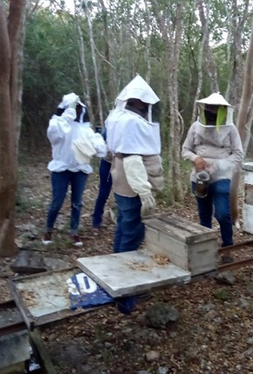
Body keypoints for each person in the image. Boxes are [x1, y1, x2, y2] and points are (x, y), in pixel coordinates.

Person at [105, 74, 164, 313]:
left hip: (120, 181)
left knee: (122, 228)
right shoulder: (132, 122)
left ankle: (113, 277)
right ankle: (125, 295)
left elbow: (111, 152)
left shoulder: (116, 116)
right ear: (138, 102)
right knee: (132, 234)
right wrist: (144, 191)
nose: (147, 108)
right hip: (131, 184)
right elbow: (132, 159)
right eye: (145, 104)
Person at [182, 93, 243, 257]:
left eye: (215, 108)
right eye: (208, 107)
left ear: (222, 110)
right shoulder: (195, 126)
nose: (211, 111)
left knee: (223, 213)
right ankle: (206, 251)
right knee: (204, 215)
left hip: (222, 176)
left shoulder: (231, 129)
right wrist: (196, 158)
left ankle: (228, 248)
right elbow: (185, 150)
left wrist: (218, 165)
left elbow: (238, 155)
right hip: (199, 177)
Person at [42, 93, 107, 247]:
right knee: (57, 201)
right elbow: (55, 133)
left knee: (77, 203)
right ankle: (48, 230)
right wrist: (67, 113)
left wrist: (98, 142)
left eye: (78, 108)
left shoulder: (85, 129)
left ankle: (74, 231)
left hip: (80, 170)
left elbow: (100, 148)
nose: (76, 111)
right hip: (61, 169)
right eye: (74, 108)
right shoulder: (57, 125)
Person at [91, 126, 113, 229]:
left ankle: (122, 220)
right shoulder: (110, 126)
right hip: (107, 163)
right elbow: (99, 140)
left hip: (122, 165)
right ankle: (96, 220)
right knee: (103, 193)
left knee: (123, 195)